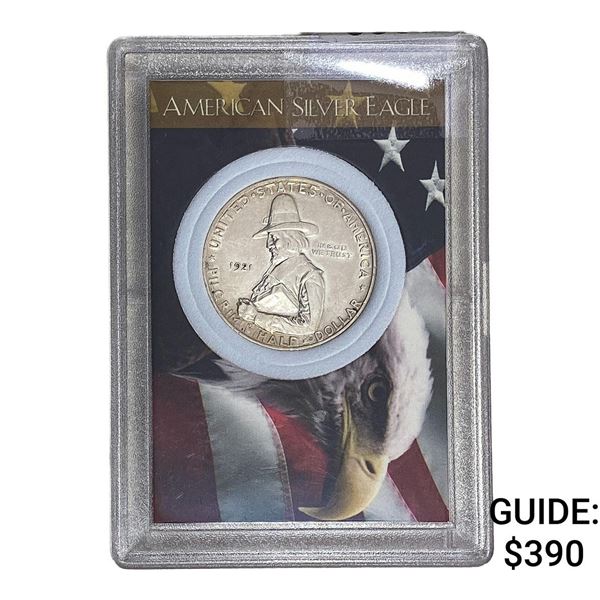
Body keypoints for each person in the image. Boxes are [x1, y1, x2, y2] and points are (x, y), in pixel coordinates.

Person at [237, 193, 325, 335]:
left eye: (274, 238)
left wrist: (256, 317)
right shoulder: (275, 269)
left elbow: (309, 327)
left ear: (291, 238)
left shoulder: (310, 276)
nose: (268, 244)